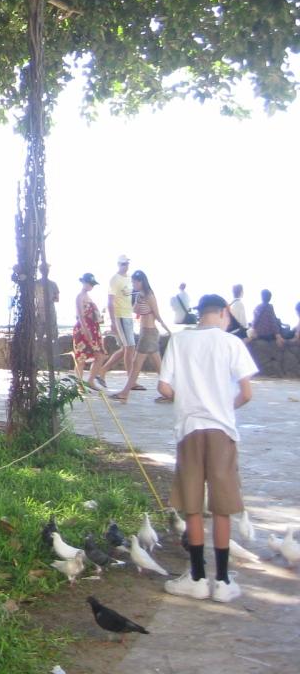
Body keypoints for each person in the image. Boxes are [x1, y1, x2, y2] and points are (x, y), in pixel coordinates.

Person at [158, 294, 257, 604]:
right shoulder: (231, 343)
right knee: (222, 506)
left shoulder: (179, 340)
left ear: (198, 313)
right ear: (224, 312)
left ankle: (197, 578)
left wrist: (187, 402)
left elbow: (164, 387)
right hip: (221, 430)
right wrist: (223, 408)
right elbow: (246, 393)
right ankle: (223, 581)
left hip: (189, 429)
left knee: (192, 505)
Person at [112, 269, 172, 403]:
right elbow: (134, 309)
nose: (133, 285)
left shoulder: (149, 295)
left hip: (149, 333)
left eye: (135, 282)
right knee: (159, 367)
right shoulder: (140, 295)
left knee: (136, 364)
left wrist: (168, 330)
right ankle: (172, 392)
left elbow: (157, 315)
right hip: (145, 332)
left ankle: (125, 393)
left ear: (141, 282)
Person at [98, 255, 134, 383]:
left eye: (127, 263)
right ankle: (131, 380)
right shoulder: (114, 279)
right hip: (120, 316)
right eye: (123, 264)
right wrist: (113, 322)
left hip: (128, 315)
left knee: (126, 348)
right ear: (118, 264)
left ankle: (103, 370)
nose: (126, 266)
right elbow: (110, 301)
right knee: (129, 347)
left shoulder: (129, 278)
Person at [72, 273, 106, 386]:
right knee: (81, 358)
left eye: (92, 284)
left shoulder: (88, 297)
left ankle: (90, 380)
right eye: (90, 283)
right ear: (84, 282)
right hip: (83, 329)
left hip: (93, 328)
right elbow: (80, 315)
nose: (91, 286)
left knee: (99, 355)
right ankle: (79, 384)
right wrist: (86, 330)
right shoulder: (79, 297)